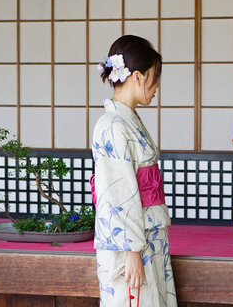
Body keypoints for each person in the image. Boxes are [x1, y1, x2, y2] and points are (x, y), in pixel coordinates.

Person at [91, 35, 177, 307]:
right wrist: (131, 251)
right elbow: (118, 193)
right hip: (130, 247)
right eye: (155, 76)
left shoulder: (126, 120)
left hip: (146, 239)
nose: (158, 85)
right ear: (137, 77)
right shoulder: (113, 125)